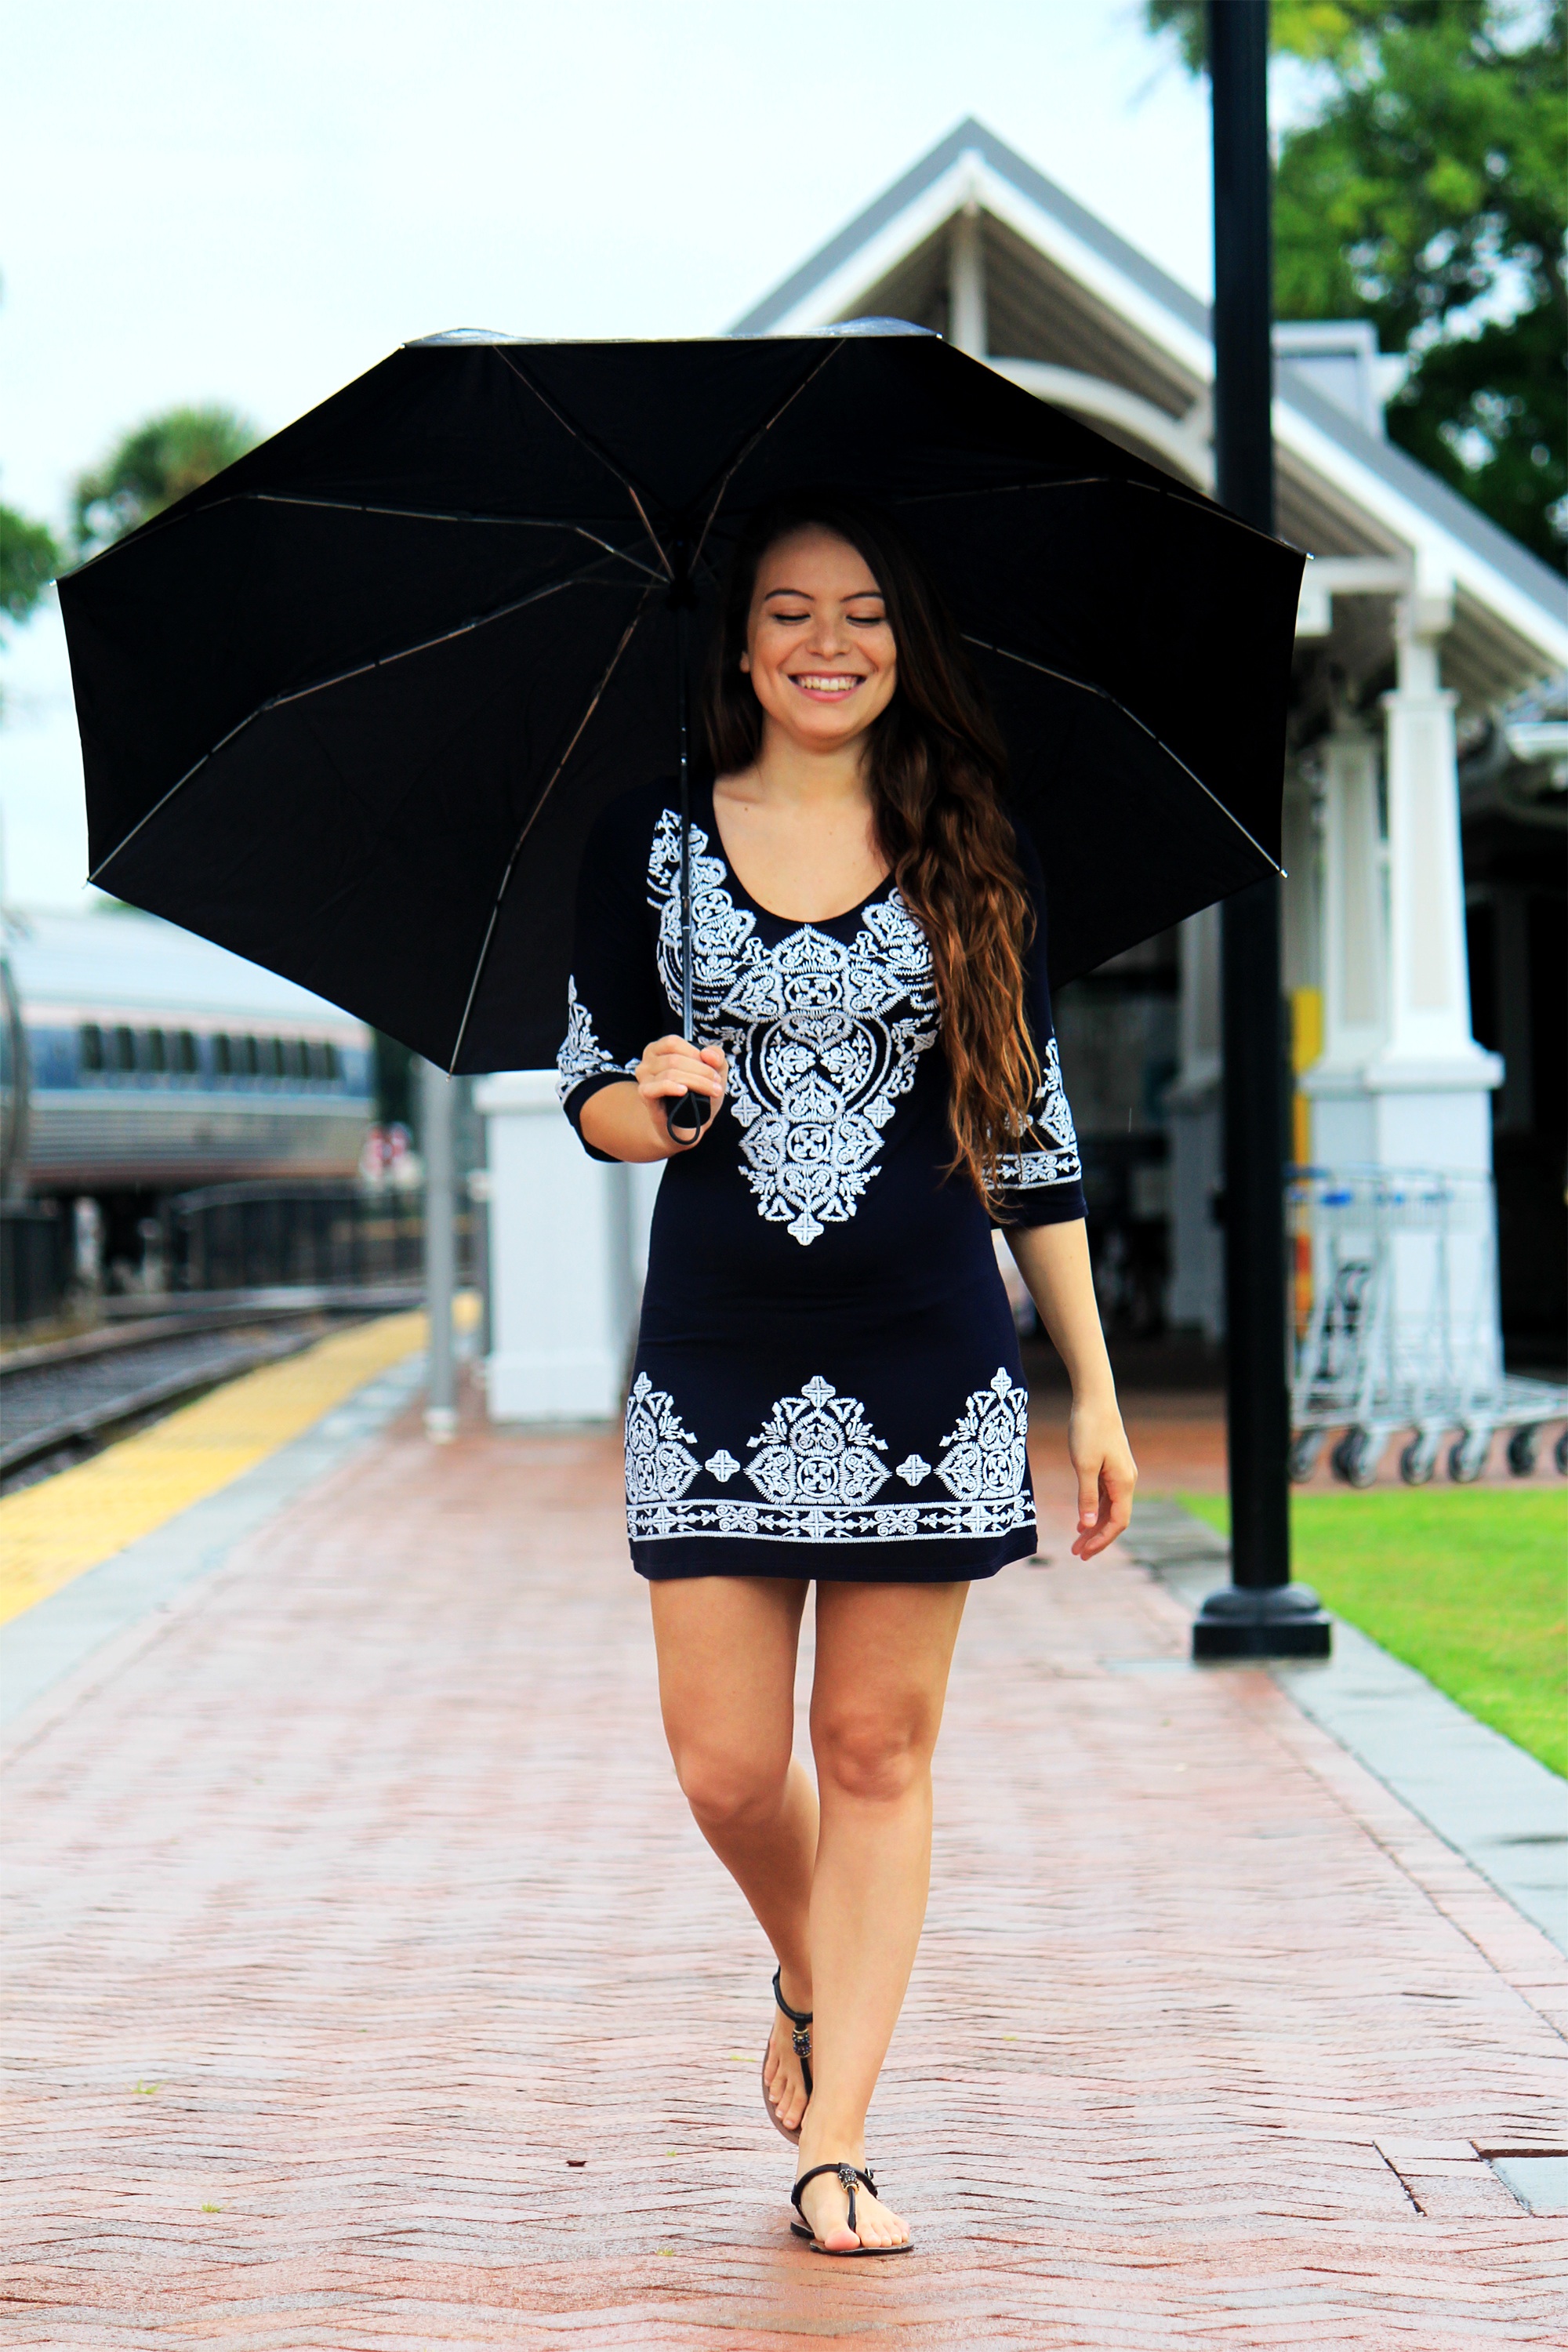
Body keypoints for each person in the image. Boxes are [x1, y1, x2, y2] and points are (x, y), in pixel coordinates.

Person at [556, 492, 1137, 2256]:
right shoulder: (648, 845)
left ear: (905, 643)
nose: (829, 643)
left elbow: (1024, 1137)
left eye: (865, 611)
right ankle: (811, 1971)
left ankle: (842, 2143)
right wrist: (654, 1101)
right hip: (720, 1348)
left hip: (924, 1353)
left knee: (873, 1751)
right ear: (737, 645)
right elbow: (584, 1095)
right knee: (732, 1768)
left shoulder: (970, 843)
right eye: (791, 612)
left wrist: (1093, 1392)